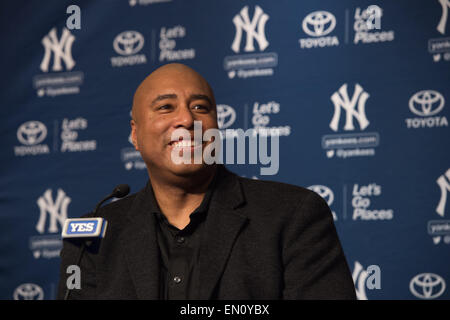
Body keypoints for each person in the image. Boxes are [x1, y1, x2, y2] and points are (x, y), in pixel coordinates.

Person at [57, 63, 356, 299]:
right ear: (135, 135)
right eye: (165, 107)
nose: (187, 120)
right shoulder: (92, 237)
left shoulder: (293, 215)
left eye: (201, 107)